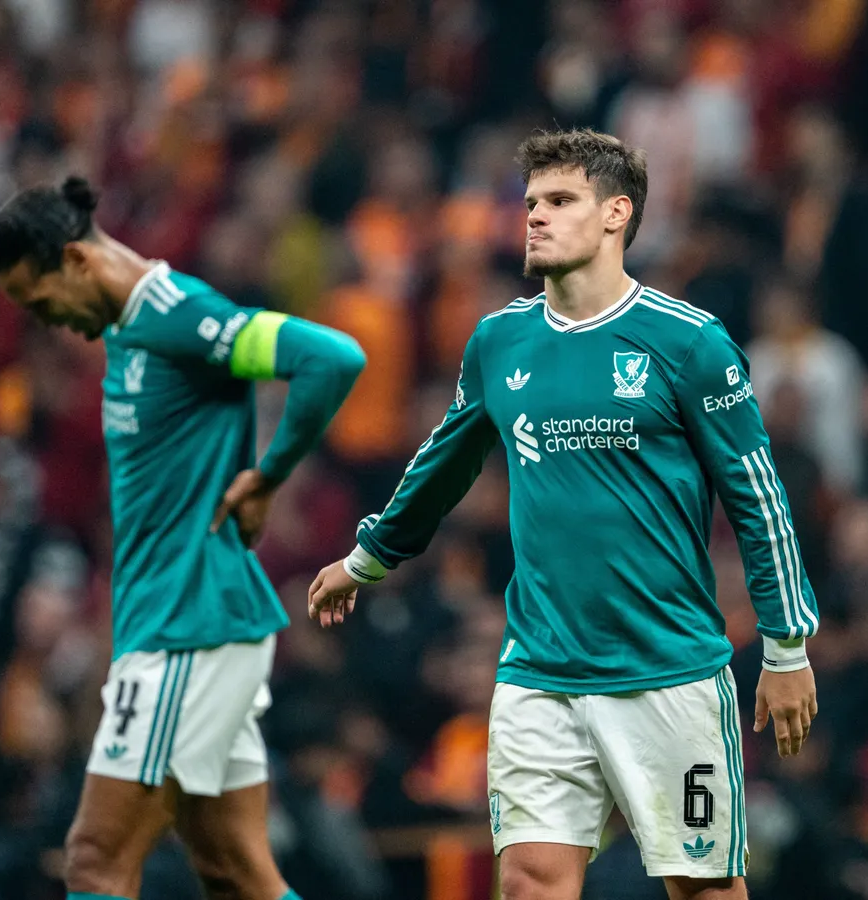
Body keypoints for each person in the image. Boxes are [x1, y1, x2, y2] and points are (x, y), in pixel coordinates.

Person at [308, 129, 820, 900]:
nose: (534, 218)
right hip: (539, 669)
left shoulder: (689, 343)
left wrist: (785, 649)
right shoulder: (500, 341)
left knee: (703, 889)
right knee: (530, 883)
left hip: (666, 670)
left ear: (617, 214)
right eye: (530, 203)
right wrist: (366, 559)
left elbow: (760, 496)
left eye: (558, 201)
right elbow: (443, 463)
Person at [0, 175, 366, 900]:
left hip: (186, 630)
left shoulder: (178, 315)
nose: (50, 321)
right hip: (185, 624)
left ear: (74, 261)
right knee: (235, 873)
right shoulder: (134, 326)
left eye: (42, 301)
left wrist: (268, 474)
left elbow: (331, 357)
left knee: (96, 858)